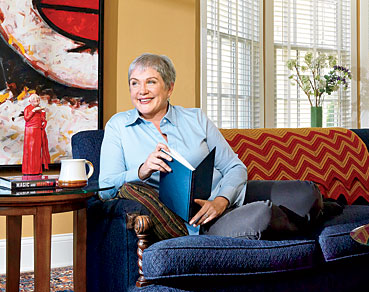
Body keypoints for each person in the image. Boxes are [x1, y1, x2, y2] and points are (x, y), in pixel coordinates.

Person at [99, 53, 322, 240]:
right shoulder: (119, 126)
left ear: (169, 88)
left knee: (307, 193)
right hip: (202, 220)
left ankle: (305, 215)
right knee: (262, 214)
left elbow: (235, 167)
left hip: (228, 197)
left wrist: (221, 200)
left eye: (151, 82)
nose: (141, 91)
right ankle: (302, 220)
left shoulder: (195, 118)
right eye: (134, 83)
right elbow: (105, 188)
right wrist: (142, 170)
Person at [22, 93, 50, 175]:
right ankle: (28, 170)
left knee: (37, 151)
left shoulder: (40, 109)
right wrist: (33, 111)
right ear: (30, 101)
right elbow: (26, 118)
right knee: (30, 150)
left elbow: (43, 120)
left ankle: (37, 170)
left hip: (38, 131)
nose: (36, 101)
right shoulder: (27, 108)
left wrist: (43, 112)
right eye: (34, 100)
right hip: (30, 131)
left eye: (37, 100)